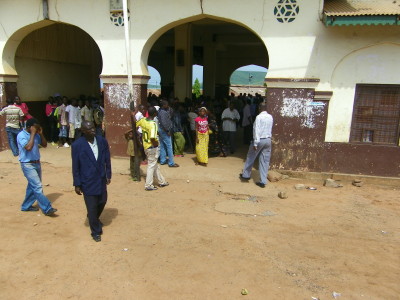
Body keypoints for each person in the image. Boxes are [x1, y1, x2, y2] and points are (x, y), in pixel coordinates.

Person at [71, 121, 112, 242]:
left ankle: (92, 217)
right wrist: (77, 183)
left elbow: (107, 159)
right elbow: (75, 165)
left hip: (100, 178)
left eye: (93, 128)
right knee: (92, 206)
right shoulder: (77, 145)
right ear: (83, 131)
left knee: (102, 201)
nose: (93, 130)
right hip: (87, 180)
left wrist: (108, 174)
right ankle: (95, 231)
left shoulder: (101, 141)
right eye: (89, 129)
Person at [17, 118, 58, 215]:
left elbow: (44, 145)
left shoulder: (36, 135)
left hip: (36, 163)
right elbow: (28, 147)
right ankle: (47, 208)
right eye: (34, 127)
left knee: (33, 187)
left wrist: (40, 133)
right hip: (27, 164)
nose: (36, 129)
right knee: (37, 186)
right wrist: (32, 133)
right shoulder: (21, 135)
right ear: (29, 127)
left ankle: (25, 206)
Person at [135, 106, 169, 191]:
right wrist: (156, 145)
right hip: (152, 147)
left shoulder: (143, 120)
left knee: (154, 165)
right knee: (151, 165)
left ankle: (161, 181)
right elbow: (153, 138)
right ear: (154, 114)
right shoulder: (153, 124)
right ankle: (148, 185)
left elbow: (135, 124)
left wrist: (132, 115)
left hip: (146, 146)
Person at [240, 103, 273, 188]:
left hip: (260, 140)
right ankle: (263, 181)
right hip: (268, 140)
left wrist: (255, 143)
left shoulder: (259, 117)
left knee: (251, 157)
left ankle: (246, 175)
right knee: (264, 161)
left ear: (259, 108)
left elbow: (256, 130)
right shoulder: (270, 117)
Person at [158, 100, 179, 167]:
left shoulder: (160, 111)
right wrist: (167, 131)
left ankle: (163, 160)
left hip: (161, 130)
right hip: (165, 131)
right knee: (169, 146)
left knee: (162, 145)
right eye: (167, 104)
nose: (168, 106)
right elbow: (164, 123)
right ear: (164, 105)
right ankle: (171, 163)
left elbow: (171, 112)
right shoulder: (163, 112)